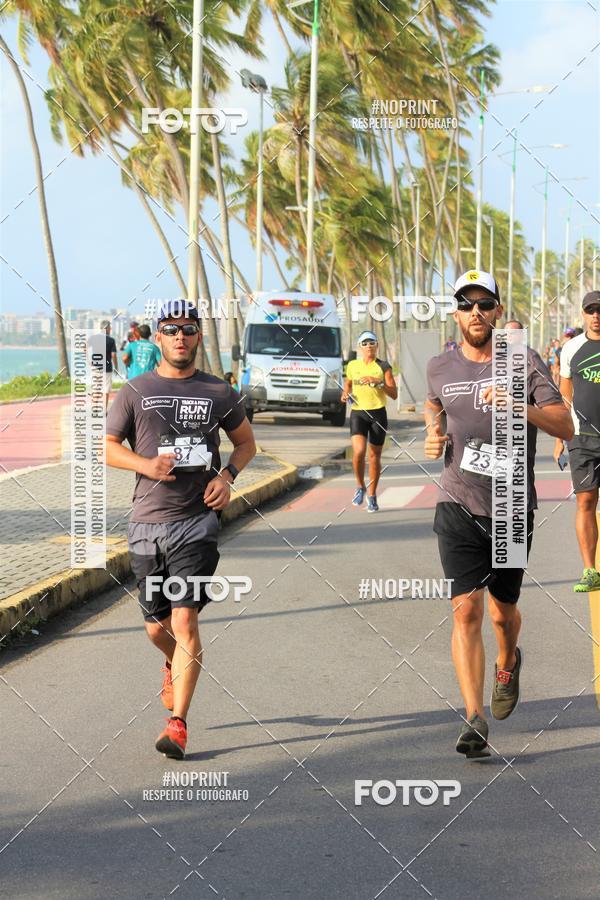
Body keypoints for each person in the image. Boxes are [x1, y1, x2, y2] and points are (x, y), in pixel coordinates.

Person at [424, 270, 573, 757]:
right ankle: (474, 717)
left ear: (497, 311)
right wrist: (433, 432)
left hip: (510, 503)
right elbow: (434, 404)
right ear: (455, 313)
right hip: (457, 499)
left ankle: (508, 662)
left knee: (501, 612)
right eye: (466, 304)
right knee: (465, 609)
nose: (476, 313)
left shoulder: (521, 360)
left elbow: (564, 425)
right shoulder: (439, 366)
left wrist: (519, 406)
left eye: (484, 304)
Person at [105, 300, 256, 759]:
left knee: (185, 619)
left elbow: (246, 444)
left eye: (188, 329)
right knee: (157, 628)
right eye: (171, 330)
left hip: (197, 523)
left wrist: (226, 477)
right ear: (158, 337)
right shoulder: (135, 389)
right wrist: (145, 464)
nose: (180, 337)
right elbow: (108, 447)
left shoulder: (218, 391)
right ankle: (173, 662)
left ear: (198, 336)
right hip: (147, 523)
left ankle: (178, 725)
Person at [554, 291, 600, 592]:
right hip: (582, 437)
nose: (596, 315)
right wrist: (561, 437)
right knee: (585, 501)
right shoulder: (571, 348)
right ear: (583, 314)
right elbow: (565, 396)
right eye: (590, 310)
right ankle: (590, 570)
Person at [341, 330, 397, 512]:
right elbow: (348, 383)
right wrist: (345, 393)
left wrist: (378, 382)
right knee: (358, 452)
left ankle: (372, 495)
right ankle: (360, 486)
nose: (368, 346)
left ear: (377, 345)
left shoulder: (383, 366)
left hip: (378, 414)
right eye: (364, 343)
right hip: (358, 413)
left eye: (372, 342)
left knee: (374, 457)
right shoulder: (353, 365)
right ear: (360, 347)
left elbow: (394, 394)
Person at [89, 320, 118, 412]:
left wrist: (88, 360)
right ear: (107, 328)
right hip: (107, 368)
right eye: (110, 328)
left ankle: (94, 408)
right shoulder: (111, 340)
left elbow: (84, 347)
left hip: (95, 366)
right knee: (106, 389)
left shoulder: (93, 338)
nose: (110, 329)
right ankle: (104, 411)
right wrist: (116, 367)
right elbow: (113, 355)